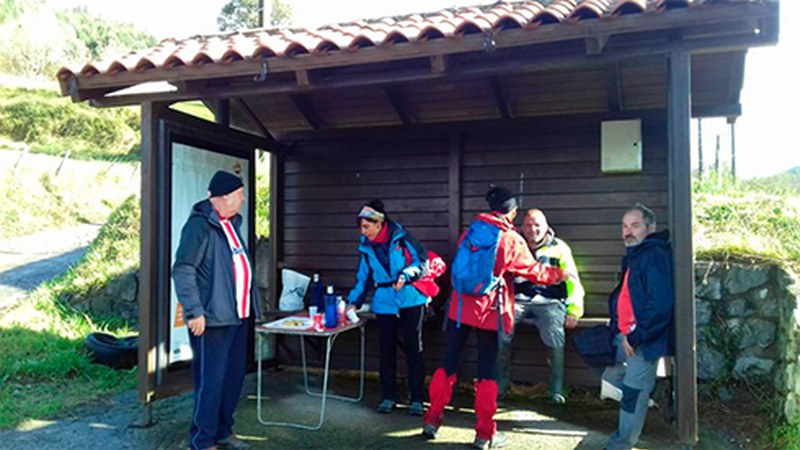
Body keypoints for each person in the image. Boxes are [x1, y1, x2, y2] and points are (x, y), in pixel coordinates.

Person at [422, 186, 568, 450]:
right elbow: (533, 270)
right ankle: (485, 434)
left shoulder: (471, 231)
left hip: (458, 307)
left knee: (448, 364)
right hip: (488, 312)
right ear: (512, 211)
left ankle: (432, 420)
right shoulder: (510, 239)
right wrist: (559, 275)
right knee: (486, 373)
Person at [172, 170, 260, 450]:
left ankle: (223, 430)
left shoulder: (231, 224)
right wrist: (194, 312)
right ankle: (203, 440)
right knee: (210, 382)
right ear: (223, 197)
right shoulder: (199, 226)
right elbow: (184, 270)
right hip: (211, 319)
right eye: (239, 194)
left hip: (237, 316)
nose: (243, 198)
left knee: (233, 379)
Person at [346, 199, 430, 416]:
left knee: (414, 349)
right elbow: (363, 278)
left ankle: (417, 398)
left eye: (366, 227)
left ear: (378, 224)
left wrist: (406, 275)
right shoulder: (366, 247)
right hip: (384, 301)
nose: (363, 232)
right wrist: (353, 301)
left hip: (411, 298)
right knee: (386, 350)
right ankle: (388, 396)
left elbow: (422, 262)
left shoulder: (402, 237)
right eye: (361, 227)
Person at [602, 203, 675, 450]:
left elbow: (660, 305)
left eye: (635, 225)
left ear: (650, 227)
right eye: (624, 226)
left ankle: (621, 444)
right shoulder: (637, 255)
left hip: (642, 339)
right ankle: (653, 391)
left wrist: (635, 337)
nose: (628, 231)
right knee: (597, 355)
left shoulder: (654, 255)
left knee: (632, 394)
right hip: (624, 334)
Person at [496, 208, 585, 403]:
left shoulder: (559, 247)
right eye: (528, 225)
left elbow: (573, 281)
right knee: (502, 327)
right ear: (522, 227)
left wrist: (574, 310)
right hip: (517, 300)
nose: (532, 229)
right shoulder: (515, 245)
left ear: (546, 227)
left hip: (549, 303)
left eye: (537, 225)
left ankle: (557, 390)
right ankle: (500, 388)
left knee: (554, 331)